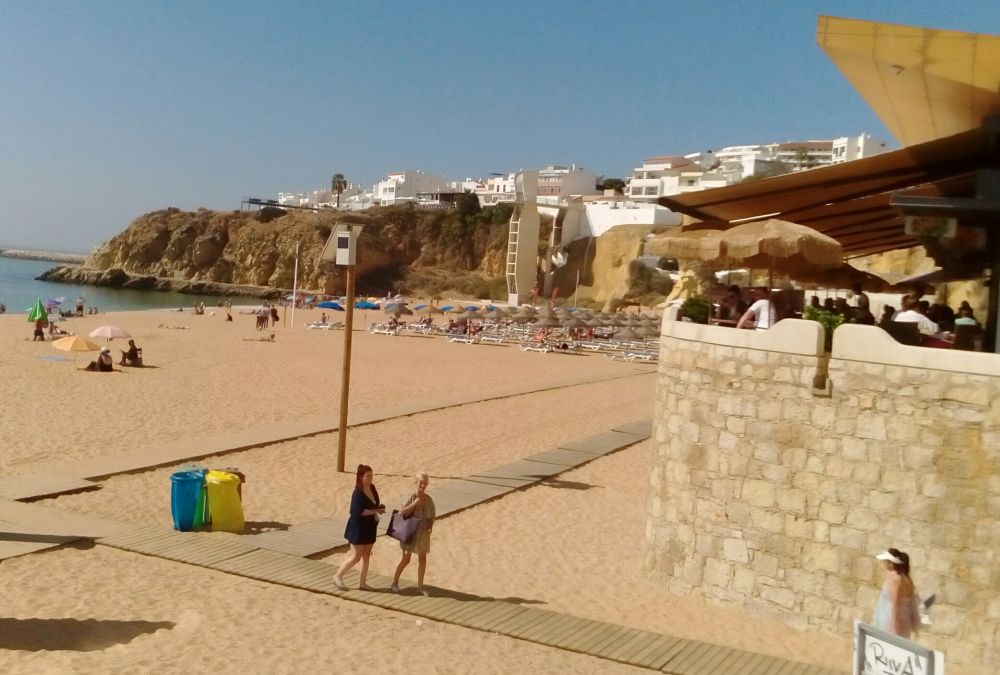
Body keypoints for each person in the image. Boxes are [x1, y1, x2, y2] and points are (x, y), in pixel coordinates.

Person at [333, 464, 385, 591]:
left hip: (370, 526)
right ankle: (337, 576)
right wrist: (375, 511)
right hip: (358, 528)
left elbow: (374, 504)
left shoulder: (372, 487)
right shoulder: (357, 493)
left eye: (371, 475)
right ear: (361, 477)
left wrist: (378, 509)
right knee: (356, 556)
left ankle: (363, 583)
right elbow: (357, 512)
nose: (370, 478)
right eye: (367, 476)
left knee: (366, 555)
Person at [390, 471, 437, 595]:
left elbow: (432, 515)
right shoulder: (411, 497)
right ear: (416, 482)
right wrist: (415, 503)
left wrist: (430, 526)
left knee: (423, 559)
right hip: (410, 532)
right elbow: (401, 512)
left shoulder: (429, 500)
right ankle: (394, 582)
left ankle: (420, 587)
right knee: (406, 559)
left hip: (423, 534)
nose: (423, 486)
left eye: (425, 483)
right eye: (421, 483)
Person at [873, 548, 921, 639]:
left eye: (886, 561)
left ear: (891, 563)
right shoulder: (908, 579)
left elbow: (894, 603)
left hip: (890, 620)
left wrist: (893, 626)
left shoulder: (894, 578)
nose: (884, 563)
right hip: (905, 622)